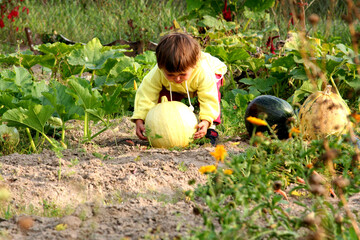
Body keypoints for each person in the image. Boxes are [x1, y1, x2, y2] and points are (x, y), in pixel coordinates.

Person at [131, 32, 227, 145]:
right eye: (170, 75)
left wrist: (206, 121)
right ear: (161, 67)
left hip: (210, 79)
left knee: (212, 94)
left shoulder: (204, 72)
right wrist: (140, 119)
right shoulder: (158, 72)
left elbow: (209, 98)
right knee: (162, 96)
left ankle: (211, 129)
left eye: (182, 74)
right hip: (175, 87)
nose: (177, 78)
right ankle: (168, 125)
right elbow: (146, 94)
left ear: (194, 63)